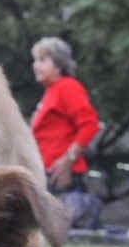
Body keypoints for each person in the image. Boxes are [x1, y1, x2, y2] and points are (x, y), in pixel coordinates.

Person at [30, 36, 102, 229]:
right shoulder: (51, 91)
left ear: (58, 64)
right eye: (35, 60)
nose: (36, 66)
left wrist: (67, 160)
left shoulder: (68, 87)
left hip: (62, 174)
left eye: (43, 60)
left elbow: (90, 124)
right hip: (47, 171)